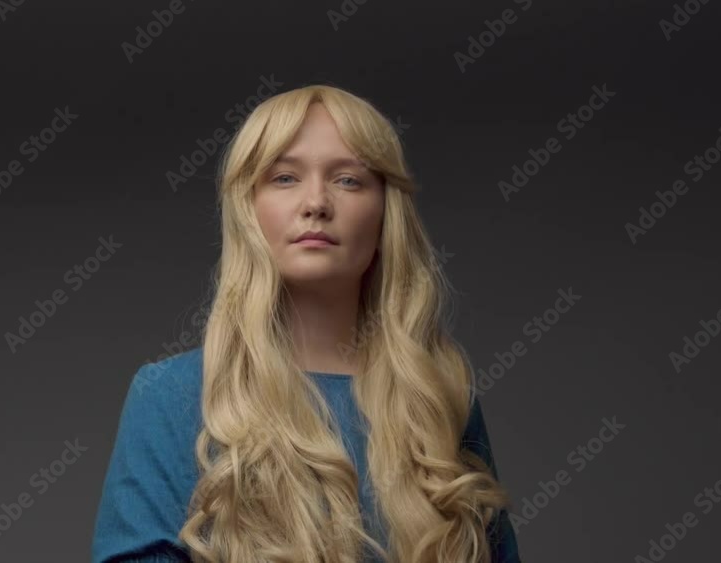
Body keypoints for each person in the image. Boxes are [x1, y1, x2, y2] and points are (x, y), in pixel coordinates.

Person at [91, 84, 522, 562]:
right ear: (248, 210)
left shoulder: (440, 395)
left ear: (385, 213)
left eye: (348, 180)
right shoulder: (169, 396)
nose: (316, 202)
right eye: (284, 178)